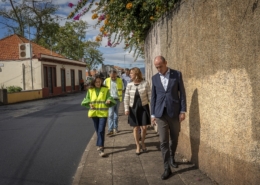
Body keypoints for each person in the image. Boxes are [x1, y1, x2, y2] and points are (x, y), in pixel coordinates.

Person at [151, 56, 186, 180]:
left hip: (174, 112)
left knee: (174, 138)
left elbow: (182, 93)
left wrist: (182, 111)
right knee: (163, 141)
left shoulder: (177, 74)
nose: (159, 69)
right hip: (160, 114)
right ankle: (167, 168)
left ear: (166, 63)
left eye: (160, 66)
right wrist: (152, 114)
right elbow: (153, 97)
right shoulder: (154, 78)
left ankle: (172, 157)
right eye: (157, 67)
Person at [81, 75, 116, 157]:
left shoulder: (105, 89)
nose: (98, 83)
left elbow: (109, 97)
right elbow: (87, 99)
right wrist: (90, 104)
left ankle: (101, 148)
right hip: (94, 113)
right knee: (97, 130)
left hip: (103, 114)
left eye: (99, 81)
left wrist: (108, 100)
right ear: (93, 82)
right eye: (96, 82)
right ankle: (100, 143)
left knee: (101, 130)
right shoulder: (90, 90)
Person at [124, 67, 151, 155]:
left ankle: (143, 143)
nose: (130, 74)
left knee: (144, 127)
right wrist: (126, 109)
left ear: (136, 74)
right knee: (136, 128)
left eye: (131, 73)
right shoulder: (129, 85)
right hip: (133, 108)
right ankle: (138, 146)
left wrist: (153, 108)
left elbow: (150, 96)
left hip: (143, 107)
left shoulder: (145, 83)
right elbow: (126, 98)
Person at [103, 70, 124, 136]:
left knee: (116, 114)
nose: (113, 78)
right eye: (112, 77)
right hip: (110, 100)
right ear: (109, 75)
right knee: (110, 114)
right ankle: (110, 129)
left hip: (117, 99)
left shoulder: (120, 80)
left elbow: (123, 88)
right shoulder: (106, 81)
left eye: (114, 77)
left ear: (116, 74)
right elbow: (103, 90)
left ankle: (116, 128)